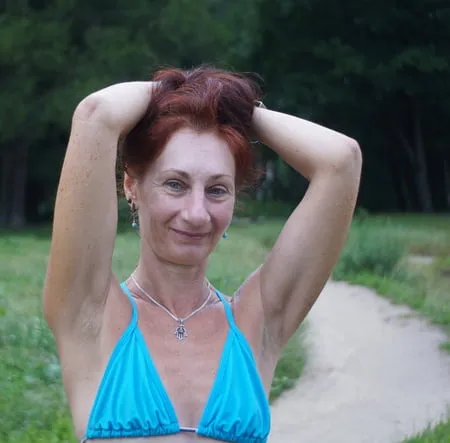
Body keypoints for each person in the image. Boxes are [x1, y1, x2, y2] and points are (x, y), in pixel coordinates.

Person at [43, 66, 362, 443]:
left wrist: (239, 111)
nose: (197, 213)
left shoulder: (258, 321)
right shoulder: (88, 313)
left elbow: (341, 160)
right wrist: (184, 90)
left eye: (217, 190)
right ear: (132, 186)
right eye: (175, 184)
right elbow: (98, 115)